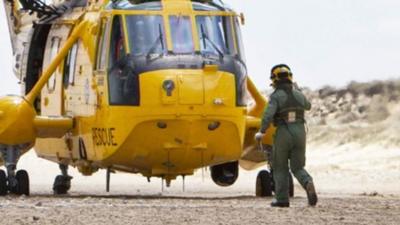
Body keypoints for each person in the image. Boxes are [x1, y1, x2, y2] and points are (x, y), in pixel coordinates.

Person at [255, 64, 318, 207]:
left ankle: (282, 199)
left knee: (280, 167)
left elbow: (268, 115)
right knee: (298, 167)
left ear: (275, 79)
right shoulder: (298, 94)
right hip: (300, 132)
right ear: (290, 77)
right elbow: (308, 106)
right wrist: (299, 90)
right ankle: (307, 182)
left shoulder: (276, 96)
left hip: (284, 132)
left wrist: (262, 131)